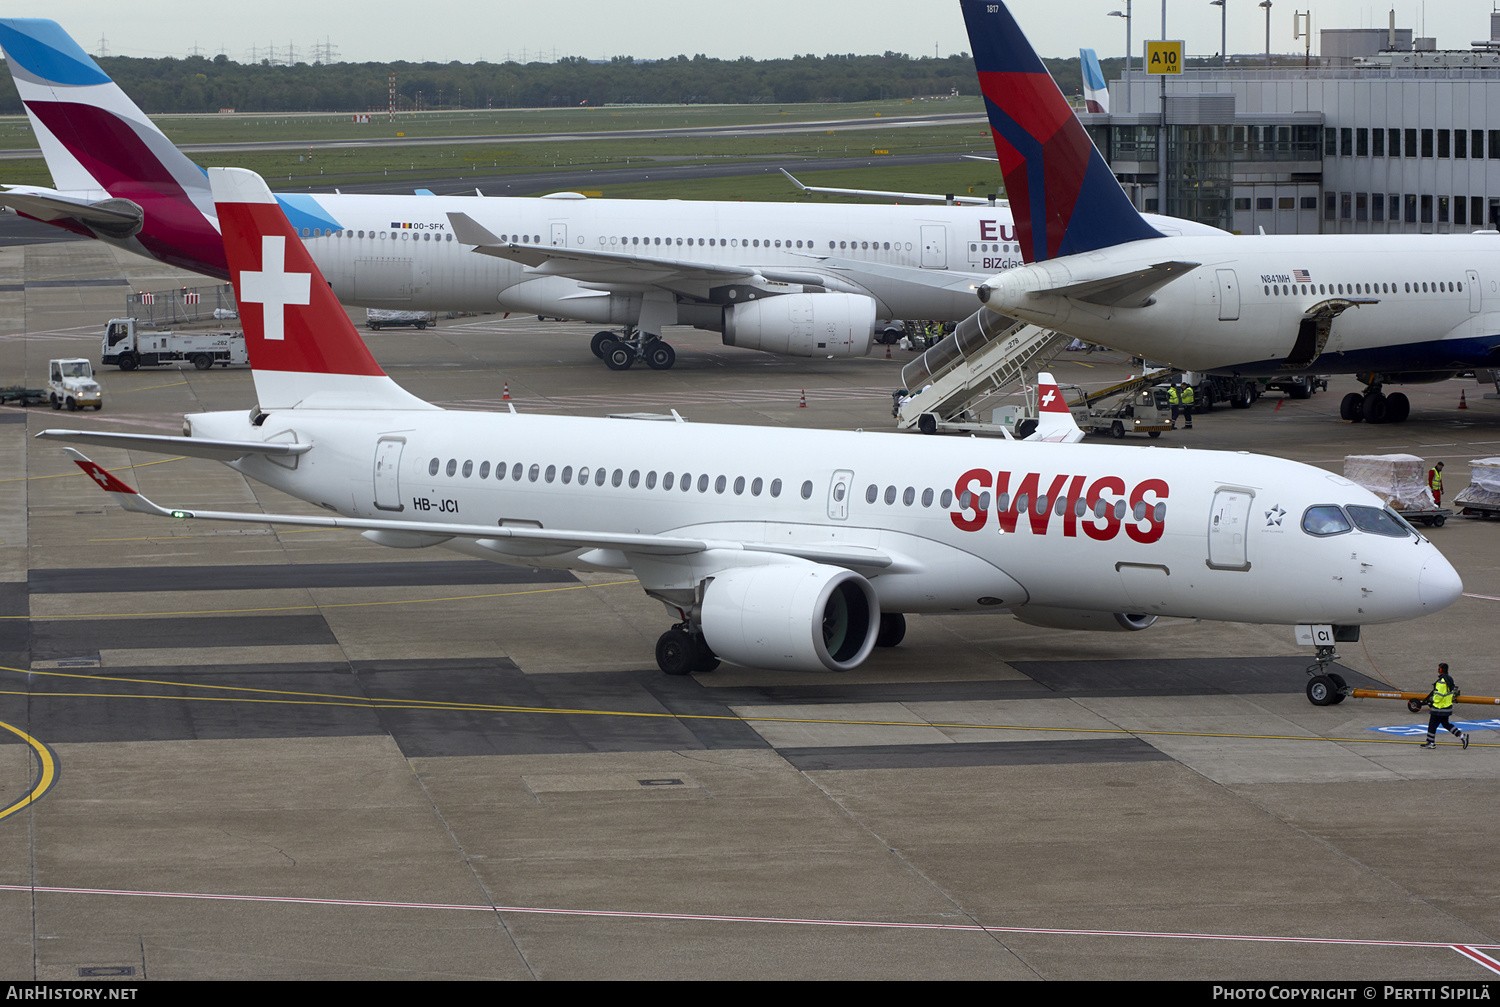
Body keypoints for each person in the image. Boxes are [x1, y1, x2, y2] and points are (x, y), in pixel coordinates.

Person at [1420, 662, 1468, 749]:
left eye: (1439, 669)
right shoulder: (1450, 679)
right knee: (1446, 724)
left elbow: (1439, 696)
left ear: (1441, 670)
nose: (1438, 670)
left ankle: (1430, 742)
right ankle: (1461, 736)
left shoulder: (1442, 681)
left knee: (1432, 725)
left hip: (1439, 708)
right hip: (1447, 707)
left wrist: (1432, 699)